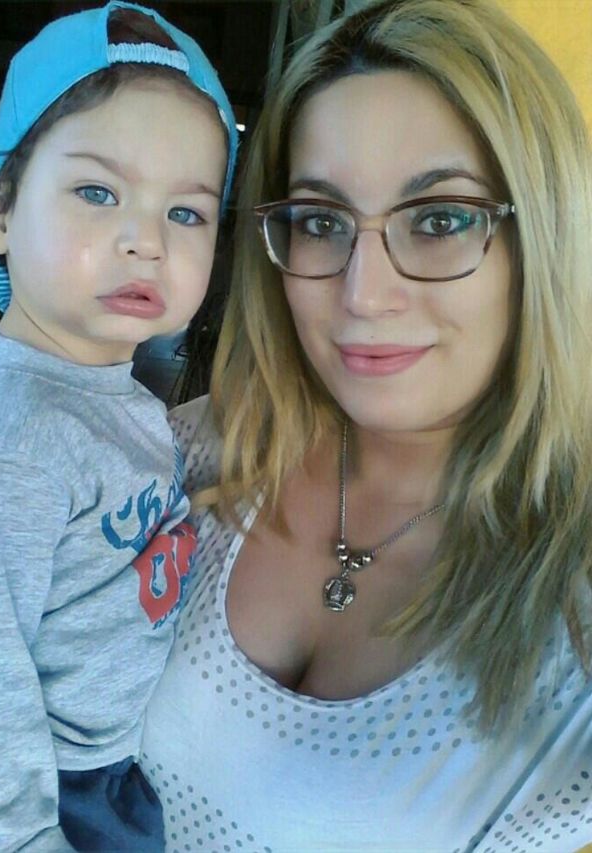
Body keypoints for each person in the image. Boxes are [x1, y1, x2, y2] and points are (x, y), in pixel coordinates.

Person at [139, 0, 592, 850]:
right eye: (321, 222)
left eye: (440, 219)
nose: (364, 295)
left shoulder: (571, 583)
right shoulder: (185, 454)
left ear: (544, 236)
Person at [0, 2, 237, 850]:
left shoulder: (111, 394)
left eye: (186, 213)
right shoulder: (9, 436)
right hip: (53, 795)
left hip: (115, 769)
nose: (145, 240)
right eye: (97, 192)